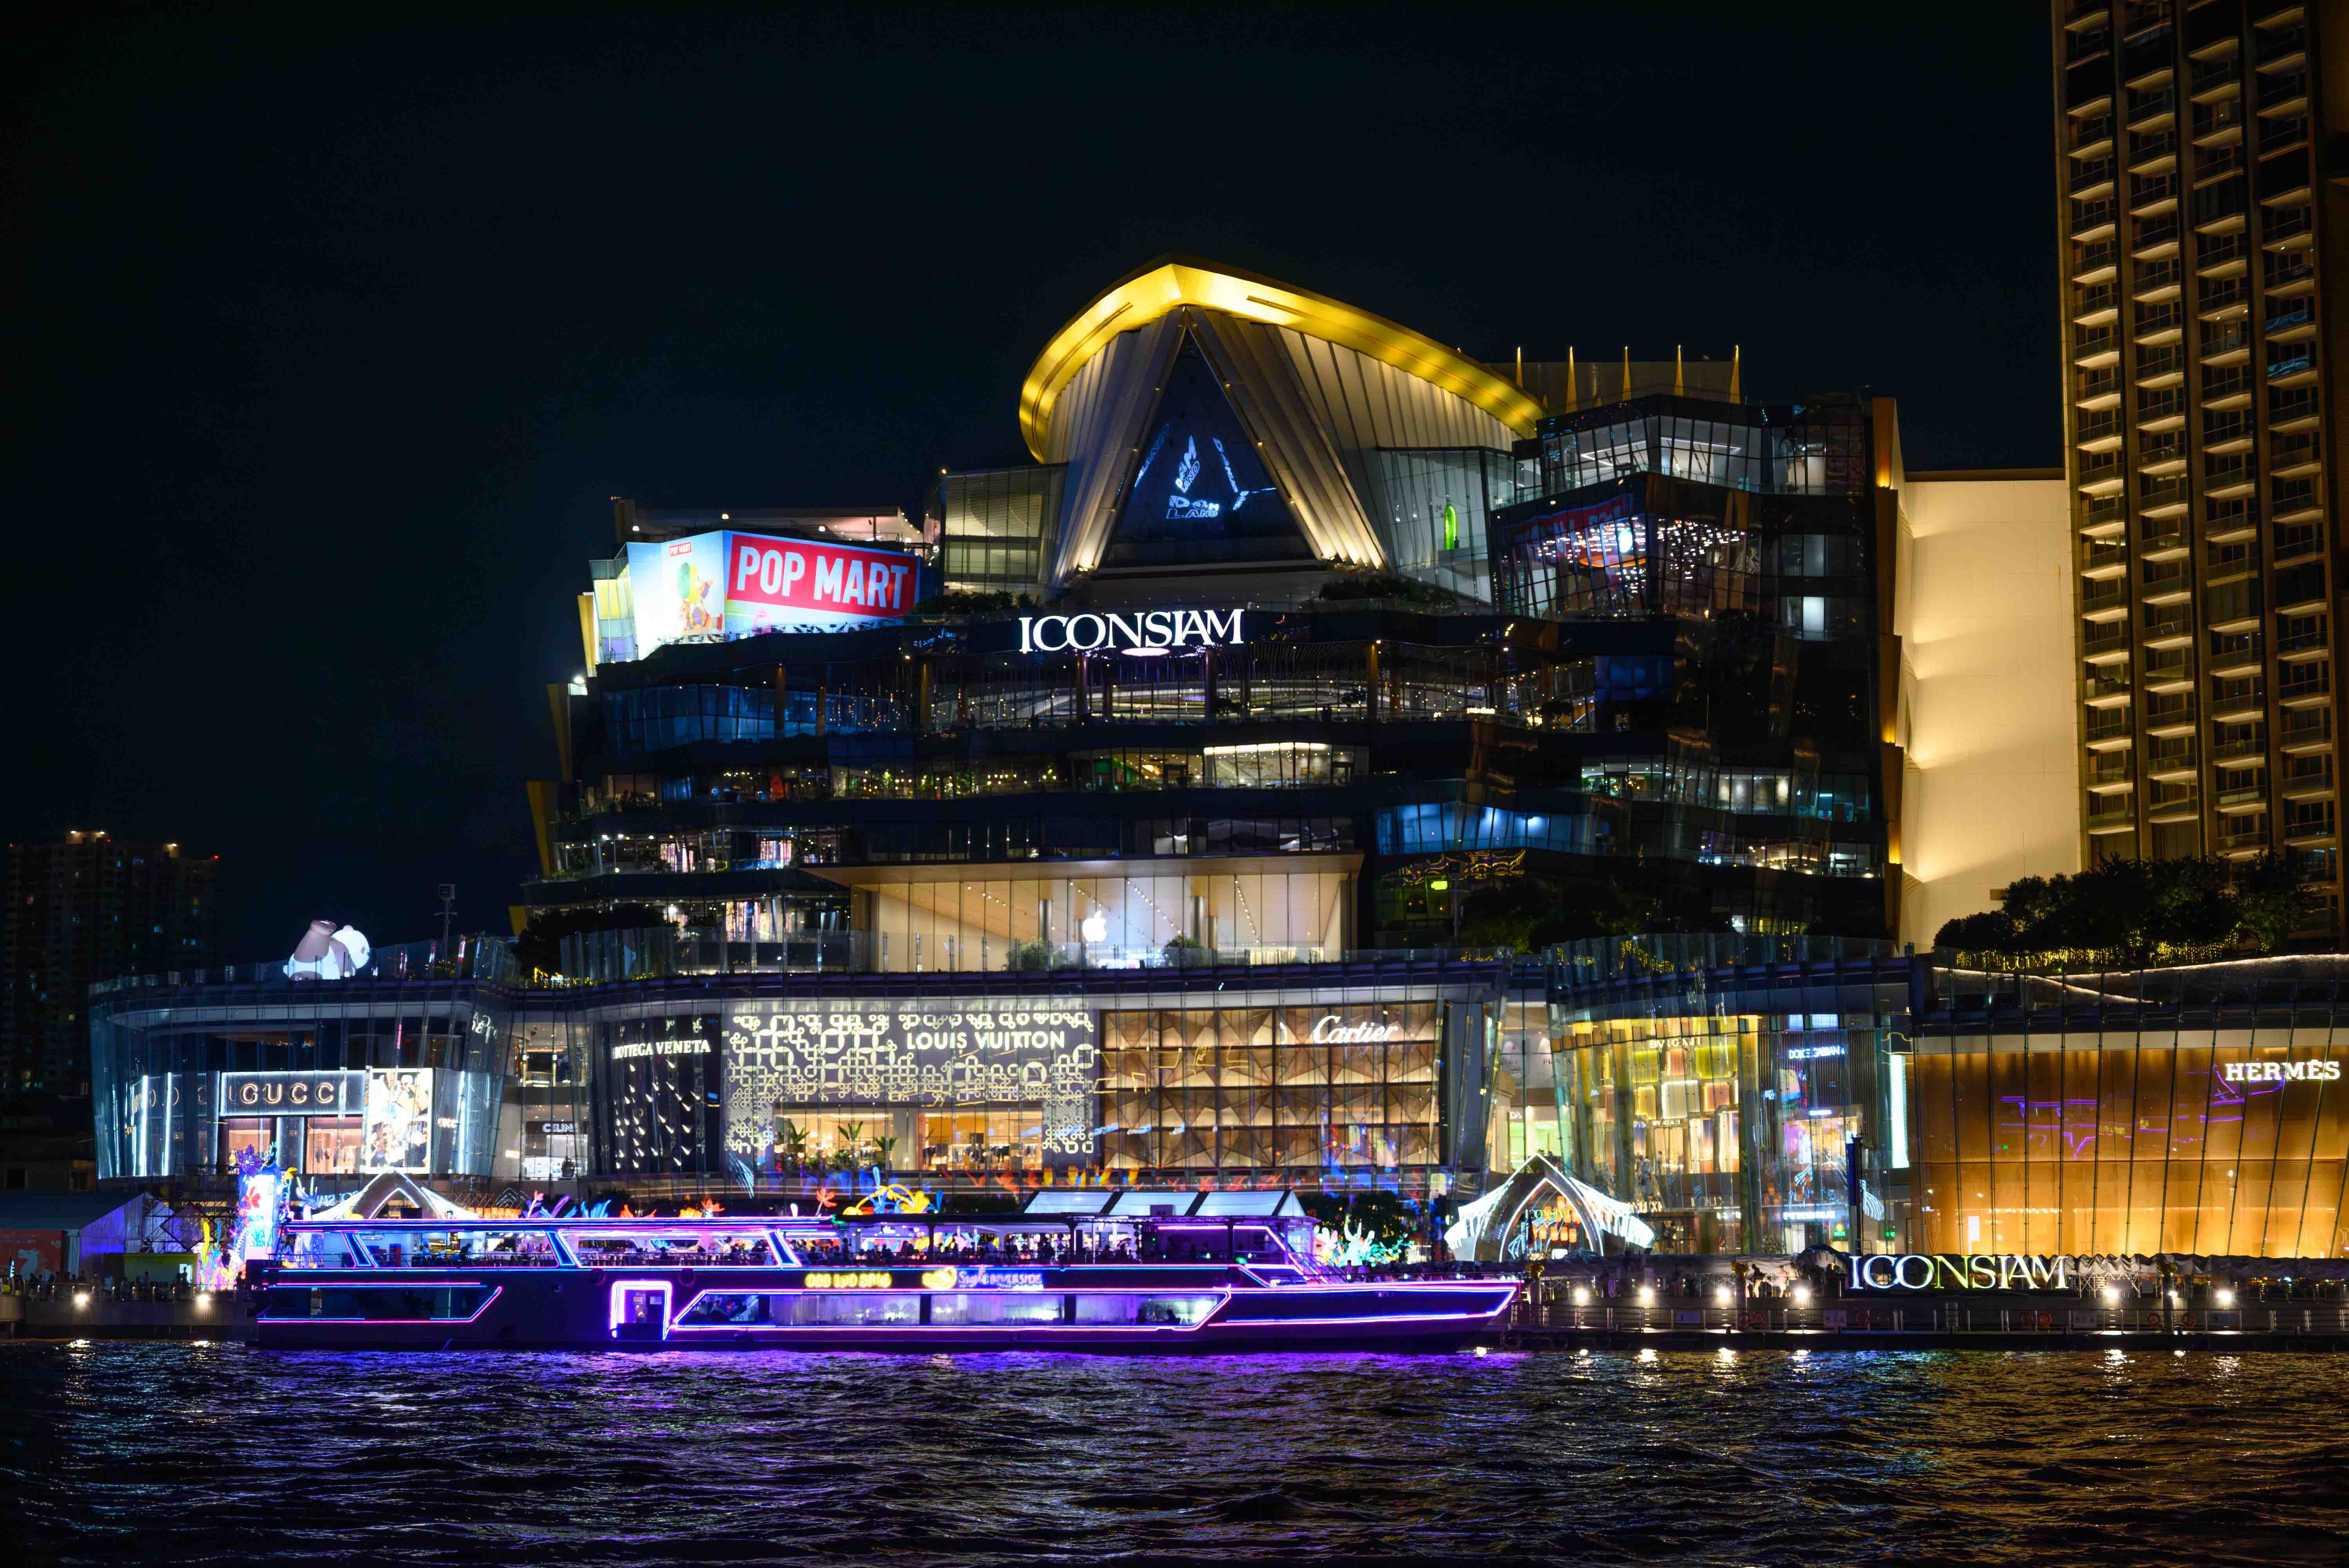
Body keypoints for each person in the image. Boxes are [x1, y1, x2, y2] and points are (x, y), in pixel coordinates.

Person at [286, 914, 371, 979]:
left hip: (308, 966)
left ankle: (319, 932)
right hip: (305, 962)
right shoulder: (335, 945)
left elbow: (348, 973)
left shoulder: (345, 955)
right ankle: (319, 933)